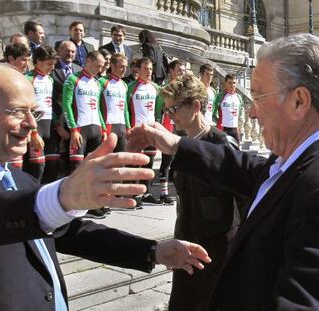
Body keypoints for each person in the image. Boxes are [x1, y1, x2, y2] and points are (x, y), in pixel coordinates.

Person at [0, 62, 211, 311]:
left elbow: (70, 232)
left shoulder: (21, 179)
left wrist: (153, 251)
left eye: (34, 113)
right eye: (17, 111)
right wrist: (65, 194)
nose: (31, 124)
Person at [127, 33, 319, 310]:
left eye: (258, 97)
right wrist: (177, 146)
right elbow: (245, 168)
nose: (252, 113)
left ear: (299, 101)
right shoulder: (287, 160)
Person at [158, 74, 243, 311]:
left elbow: (244, 200)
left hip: (219, 247)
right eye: (167, 110)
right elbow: (183, 202)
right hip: (188, 244)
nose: (170, 115)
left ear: (196, 106)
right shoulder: (180, 145)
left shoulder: (222, 143)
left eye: (174, 108)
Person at [62, 51, 108, 218]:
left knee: (94, 168)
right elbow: (66, 106)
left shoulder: (97, 83)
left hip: (96, 128)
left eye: (102, 66)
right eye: (97, 65)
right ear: (88, 61)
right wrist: (73, 130)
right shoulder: (73, 79)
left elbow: (98, 109)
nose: (99, 69)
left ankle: (92, 204)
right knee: (76, 168)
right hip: (80, 129)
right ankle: (71, 203)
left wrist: (103, 129)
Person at [127, 57, 164, 206]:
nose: (149, 72)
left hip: (151, 129)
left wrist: (157, 124)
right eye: (146, 69)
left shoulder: (156, 87)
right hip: (136, 129)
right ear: (138, 70)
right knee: (136, 163)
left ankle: (146, 192)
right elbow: (126, 108)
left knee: (149, 162)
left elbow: (159, 109)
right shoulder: (131, 87)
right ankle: (134, 193)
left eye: (150, 69)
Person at [23, 46, 60, 183]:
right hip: (36, 127)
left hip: (49, 126)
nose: (52, 67)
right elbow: (25, 108)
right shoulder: (28, 78)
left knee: (53, 165)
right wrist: (33, 133)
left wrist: (57, 125)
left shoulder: (50, 80)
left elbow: (50, 105)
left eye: (53, 64)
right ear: (38, 61)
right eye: (49, 64)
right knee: (37, 167)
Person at [51, 41, 81, 179]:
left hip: (75, 118)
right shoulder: (51, 69)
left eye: (73, 52)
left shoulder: (78, 69)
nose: (70, 54)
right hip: (56, 118)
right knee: (57, 157)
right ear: (59, 51)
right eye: (67, 51)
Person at [158, 59, 186, 204]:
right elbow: (159, 109)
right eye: (179, 70)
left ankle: (180, 191)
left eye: (183, 70)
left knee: (181, 160)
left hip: (182, 128)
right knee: (166, 160)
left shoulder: (185, 89)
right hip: (168, 126)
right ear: (171, 71)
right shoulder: (165, 88)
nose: (182, 73)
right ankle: (164, 193)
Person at [98, 53, 130, 153]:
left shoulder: (124, 85)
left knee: (122, 160)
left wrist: (128, 127)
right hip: (108, 125)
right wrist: (103, 128)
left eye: (126, 67)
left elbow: (125, 109)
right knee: (106, 161)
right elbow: (96, 108)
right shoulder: (102, 82)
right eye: (121, 67)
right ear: (112, 66)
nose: (124, 69)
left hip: (121, 126)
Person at [212, 73, 244, 143]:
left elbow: (241, 113)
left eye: (234, 83)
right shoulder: (220, 96)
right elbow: (213, 112)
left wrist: (240, 125)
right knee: (222, 152)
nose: (232, 85)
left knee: (236, 150)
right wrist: (218, 123)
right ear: (225, 83)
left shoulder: (239, 97)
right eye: (230, 83)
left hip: (235, 129)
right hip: (222, 128)